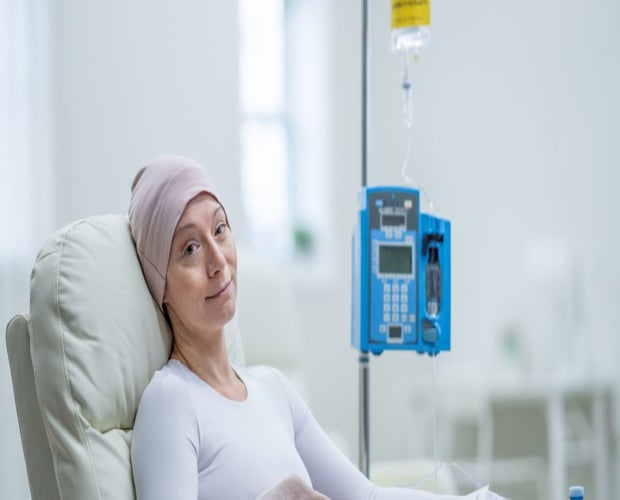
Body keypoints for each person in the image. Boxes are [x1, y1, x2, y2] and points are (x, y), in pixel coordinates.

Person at [129, 155, 504, 500]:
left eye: (220, 229)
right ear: (161, 283)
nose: (217, 260)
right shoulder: (172, 401)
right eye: (190, 249)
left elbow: (367, 497)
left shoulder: (272, 388)